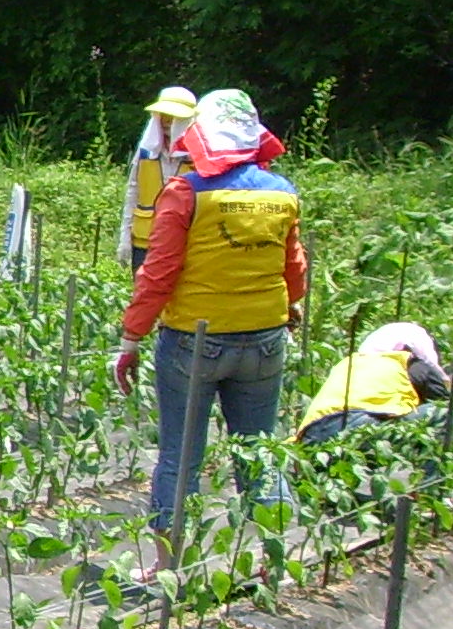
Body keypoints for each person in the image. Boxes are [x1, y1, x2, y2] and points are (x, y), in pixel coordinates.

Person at [112, 87, 307, 564]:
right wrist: (291, 307)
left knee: (180, 457)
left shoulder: (186, 193)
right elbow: (294, 268)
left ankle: (166, 568)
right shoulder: (282, 194)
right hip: (264, 339)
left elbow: (157, 274)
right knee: (259, 452)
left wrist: (131, 338)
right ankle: (274, 562)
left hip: (193, 343)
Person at [297, 322, 451, 448]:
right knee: (446, 412)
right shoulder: (409, 363)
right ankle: (431, 484)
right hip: (353, 428)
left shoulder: (349, 363)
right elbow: (442, 401)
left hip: (311, 436)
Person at [116, 84, 198, 267]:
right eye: (164, 116)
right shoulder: (146, 152)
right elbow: (133, 192)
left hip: (185, 244)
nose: (168, 122)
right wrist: (124, 238)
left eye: (174, 118)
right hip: (145, 242)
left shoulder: (200, 158)